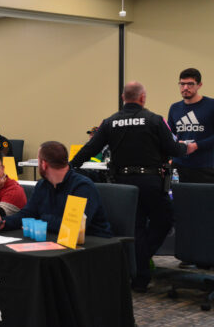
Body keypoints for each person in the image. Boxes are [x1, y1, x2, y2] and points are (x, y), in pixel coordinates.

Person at [70, 81, 192, 292]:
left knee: (135, 228)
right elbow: (172, 148)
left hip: (122, 186)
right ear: (142, 98)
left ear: (122, 97)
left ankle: (139, 275)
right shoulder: (155, 120)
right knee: (164, 220)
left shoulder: (109, 122)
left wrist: (69, 167)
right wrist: (186, 147)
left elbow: (90, 149)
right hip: (151, 183)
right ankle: (142, 261)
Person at [0, 141, 112, 238]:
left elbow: (72, 227)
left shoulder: (82, 187)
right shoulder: (42, 185)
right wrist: (3, 222)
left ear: (44, 164)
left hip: (92, 245)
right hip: (55, 240)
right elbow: (27, 214)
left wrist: (41, 219)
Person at [167, 68, 214, 183]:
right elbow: (170, 135)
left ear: (199, 85)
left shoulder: (211, 105)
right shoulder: (174, 108)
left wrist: (197, 145)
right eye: (182, 84)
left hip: (206, 166)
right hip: (179, 166)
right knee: (179, 200)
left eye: (190, 84)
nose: (185, 88)